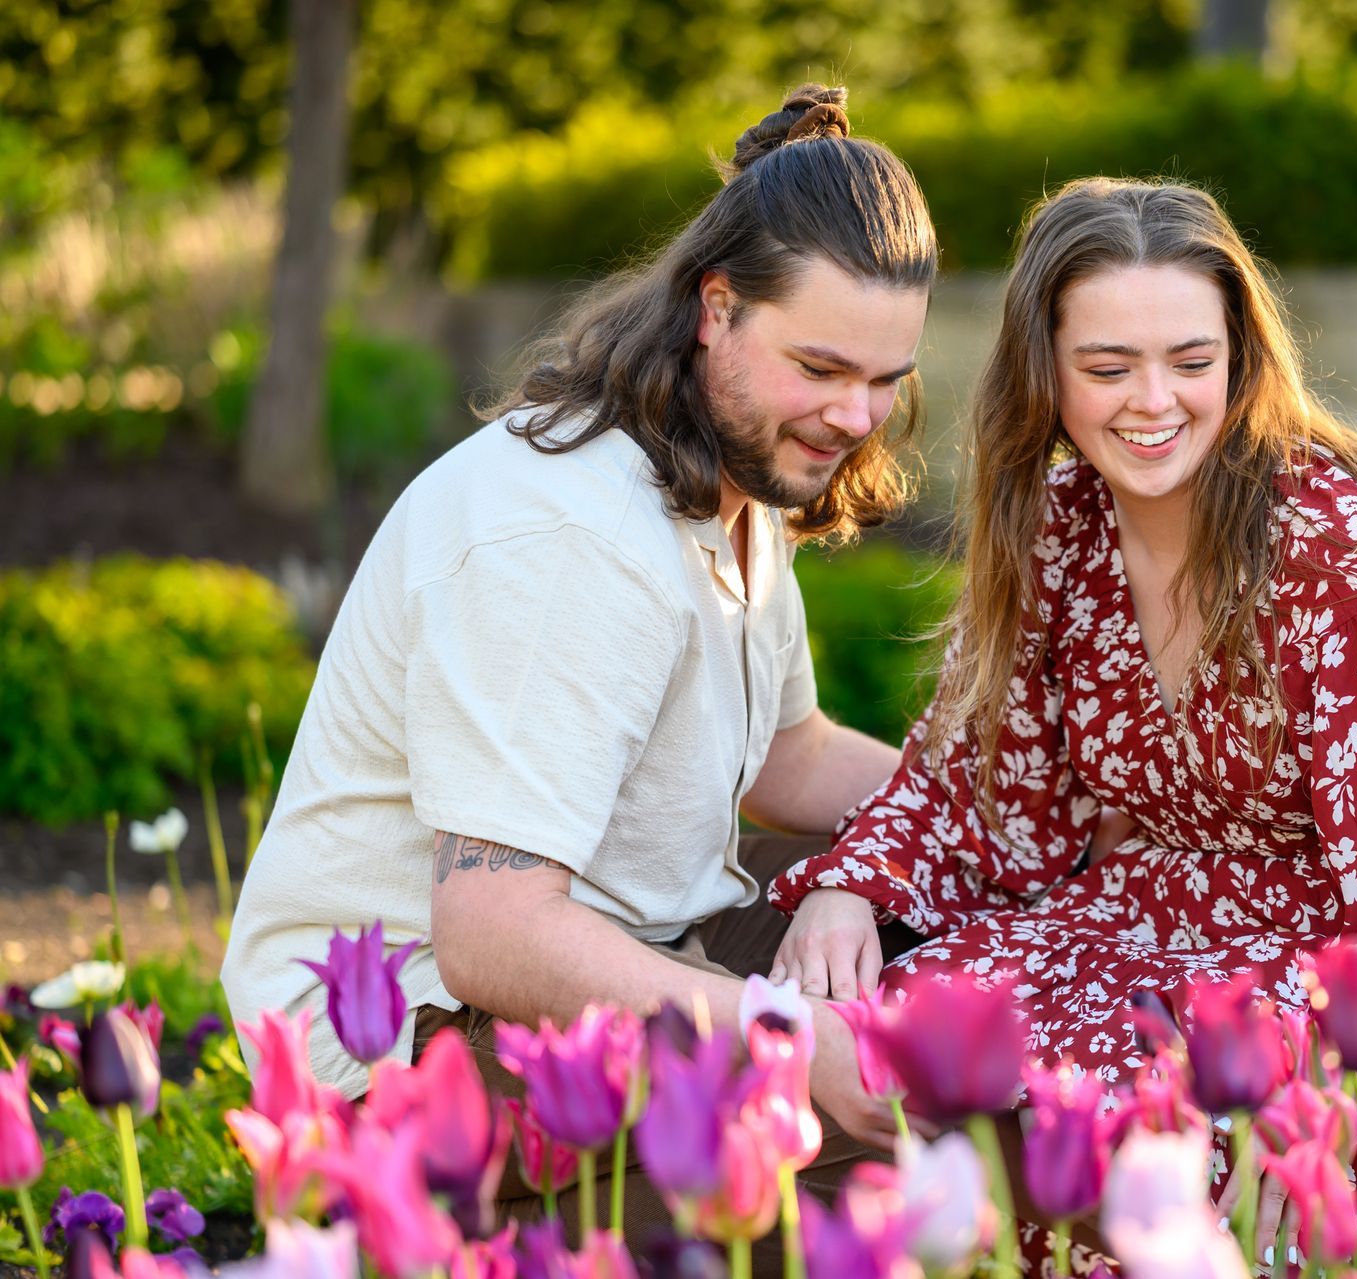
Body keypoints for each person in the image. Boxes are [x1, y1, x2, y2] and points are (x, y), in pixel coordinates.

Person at [766, 177, 1357, 1259]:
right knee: (899, 1026)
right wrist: (849, 885)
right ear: (1044, 372)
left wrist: (1321, 1078)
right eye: (1108, 368)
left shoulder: (1349, 562)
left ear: (1240, 360)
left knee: (1147, 1110)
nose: (1155, 401)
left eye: (1193, 362)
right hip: (1160, 921)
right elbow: (980, 790)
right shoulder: (1061, 528)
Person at [221, 85, 937, 1248]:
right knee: (906, 1153)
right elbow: (494, 931)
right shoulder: (565, 535)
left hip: (626, 948)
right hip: (407, 1048)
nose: (857, 414)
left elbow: (790, 754)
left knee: (965, 971)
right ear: (717, 309)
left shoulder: (732, 475)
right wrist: (783, 1033)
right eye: (822, 366)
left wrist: (997, 821)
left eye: (886, 378)